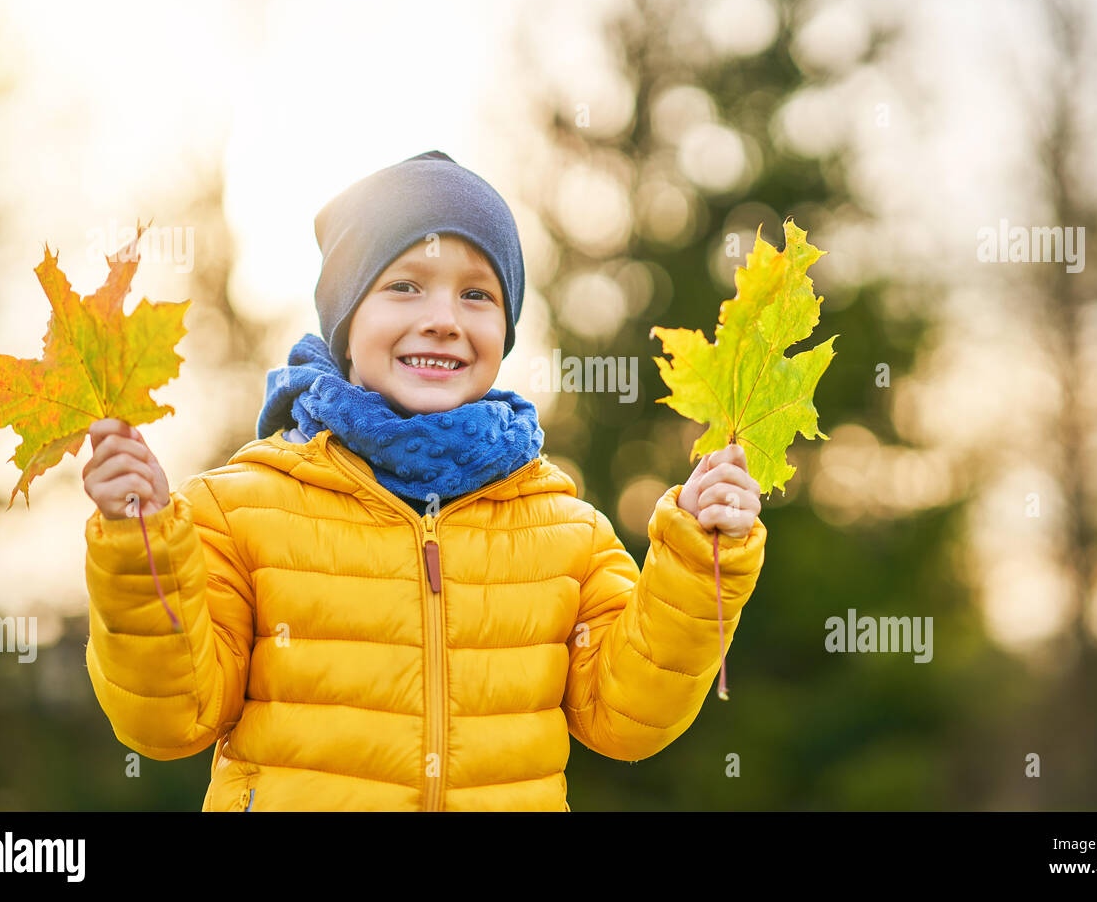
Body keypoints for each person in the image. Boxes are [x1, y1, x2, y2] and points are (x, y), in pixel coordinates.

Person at [81, 150, 766, 811]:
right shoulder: (238, 512)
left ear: (505, 330)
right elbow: (169, 721)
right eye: (404, 285)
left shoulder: (567, 532)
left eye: (477, 294)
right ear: (347, 326)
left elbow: (630, 717)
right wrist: (139, 550)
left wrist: (697, 557)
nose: (442, 319)